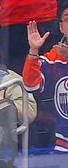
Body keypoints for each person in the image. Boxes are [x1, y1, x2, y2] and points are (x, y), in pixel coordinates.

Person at [21, 17, 68, 152]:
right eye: (67, 19)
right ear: (60, 27)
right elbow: (31, 85)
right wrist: (33, 50)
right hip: (63, 144)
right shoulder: (53, 58)